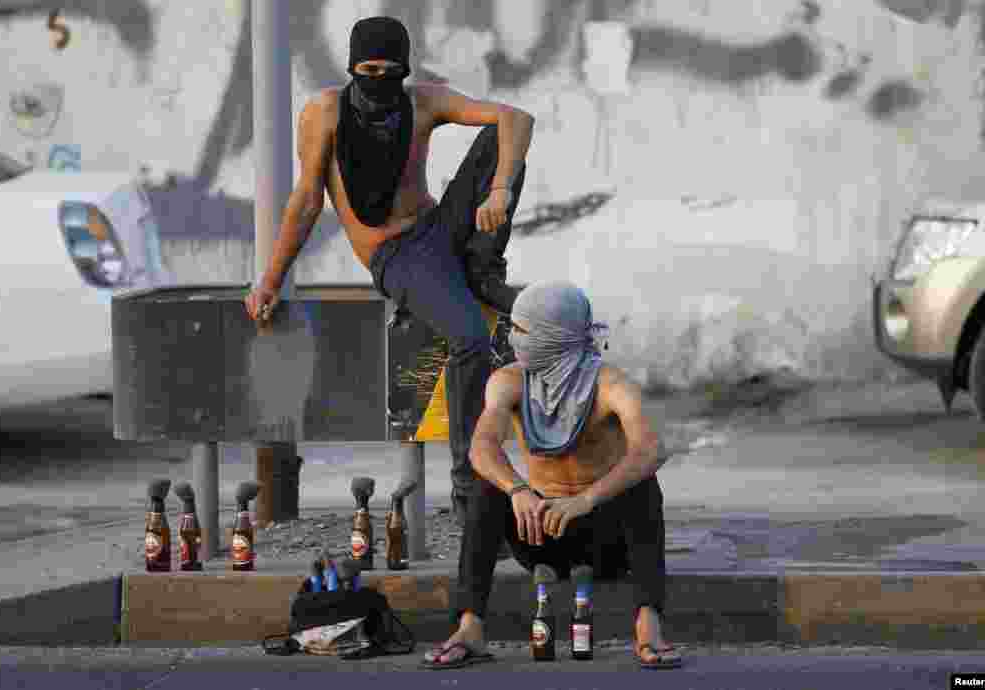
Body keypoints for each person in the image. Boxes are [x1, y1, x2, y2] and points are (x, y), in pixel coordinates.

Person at [244, 16, 534, 524]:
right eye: (367, 69)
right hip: (398, 254)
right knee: (470, 336)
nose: (378, 80)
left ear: (405, 70)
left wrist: (500, 189)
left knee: (500, 140)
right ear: (352, 67)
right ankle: (471, 487)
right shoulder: (325, 113)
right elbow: (307, 200)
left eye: (390, 70)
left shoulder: (423, 101)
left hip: (441, 228)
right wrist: (270, 279)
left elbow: (516, 118)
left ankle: (481, 269)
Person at [420, 281, 682, 670]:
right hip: (539, 533)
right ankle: (470, 627)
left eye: (523, 330)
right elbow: (481, 447)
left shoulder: (612, 385)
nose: (512, 338)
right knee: (488, 486)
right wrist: (518, 490)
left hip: (605, 540)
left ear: (554, 337)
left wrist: (586, 500)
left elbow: (652, 449)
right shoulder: (507, 380)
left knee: (643, 483)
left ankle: (649, 625)